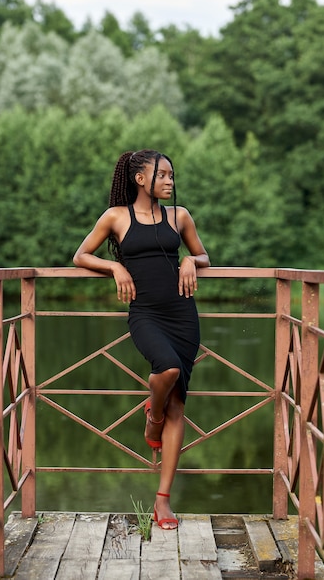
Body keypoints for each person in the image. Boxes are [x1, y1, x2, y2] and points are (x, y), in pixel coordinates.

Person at [73, 149, 210, 529]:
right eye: (163, 175)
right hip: (146, 314)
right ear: (140, 178)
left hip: (183, 315)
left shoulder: (179, 216)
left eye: (171, 175)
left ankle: (163, 500)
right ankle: (152, 413)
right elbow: (81, 256)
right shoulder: (116, 217)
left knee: (179, 406)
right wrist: (115, 265)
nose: (170, 181)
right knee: (165, 369)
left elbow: (205, 258)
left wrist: (188, 260)